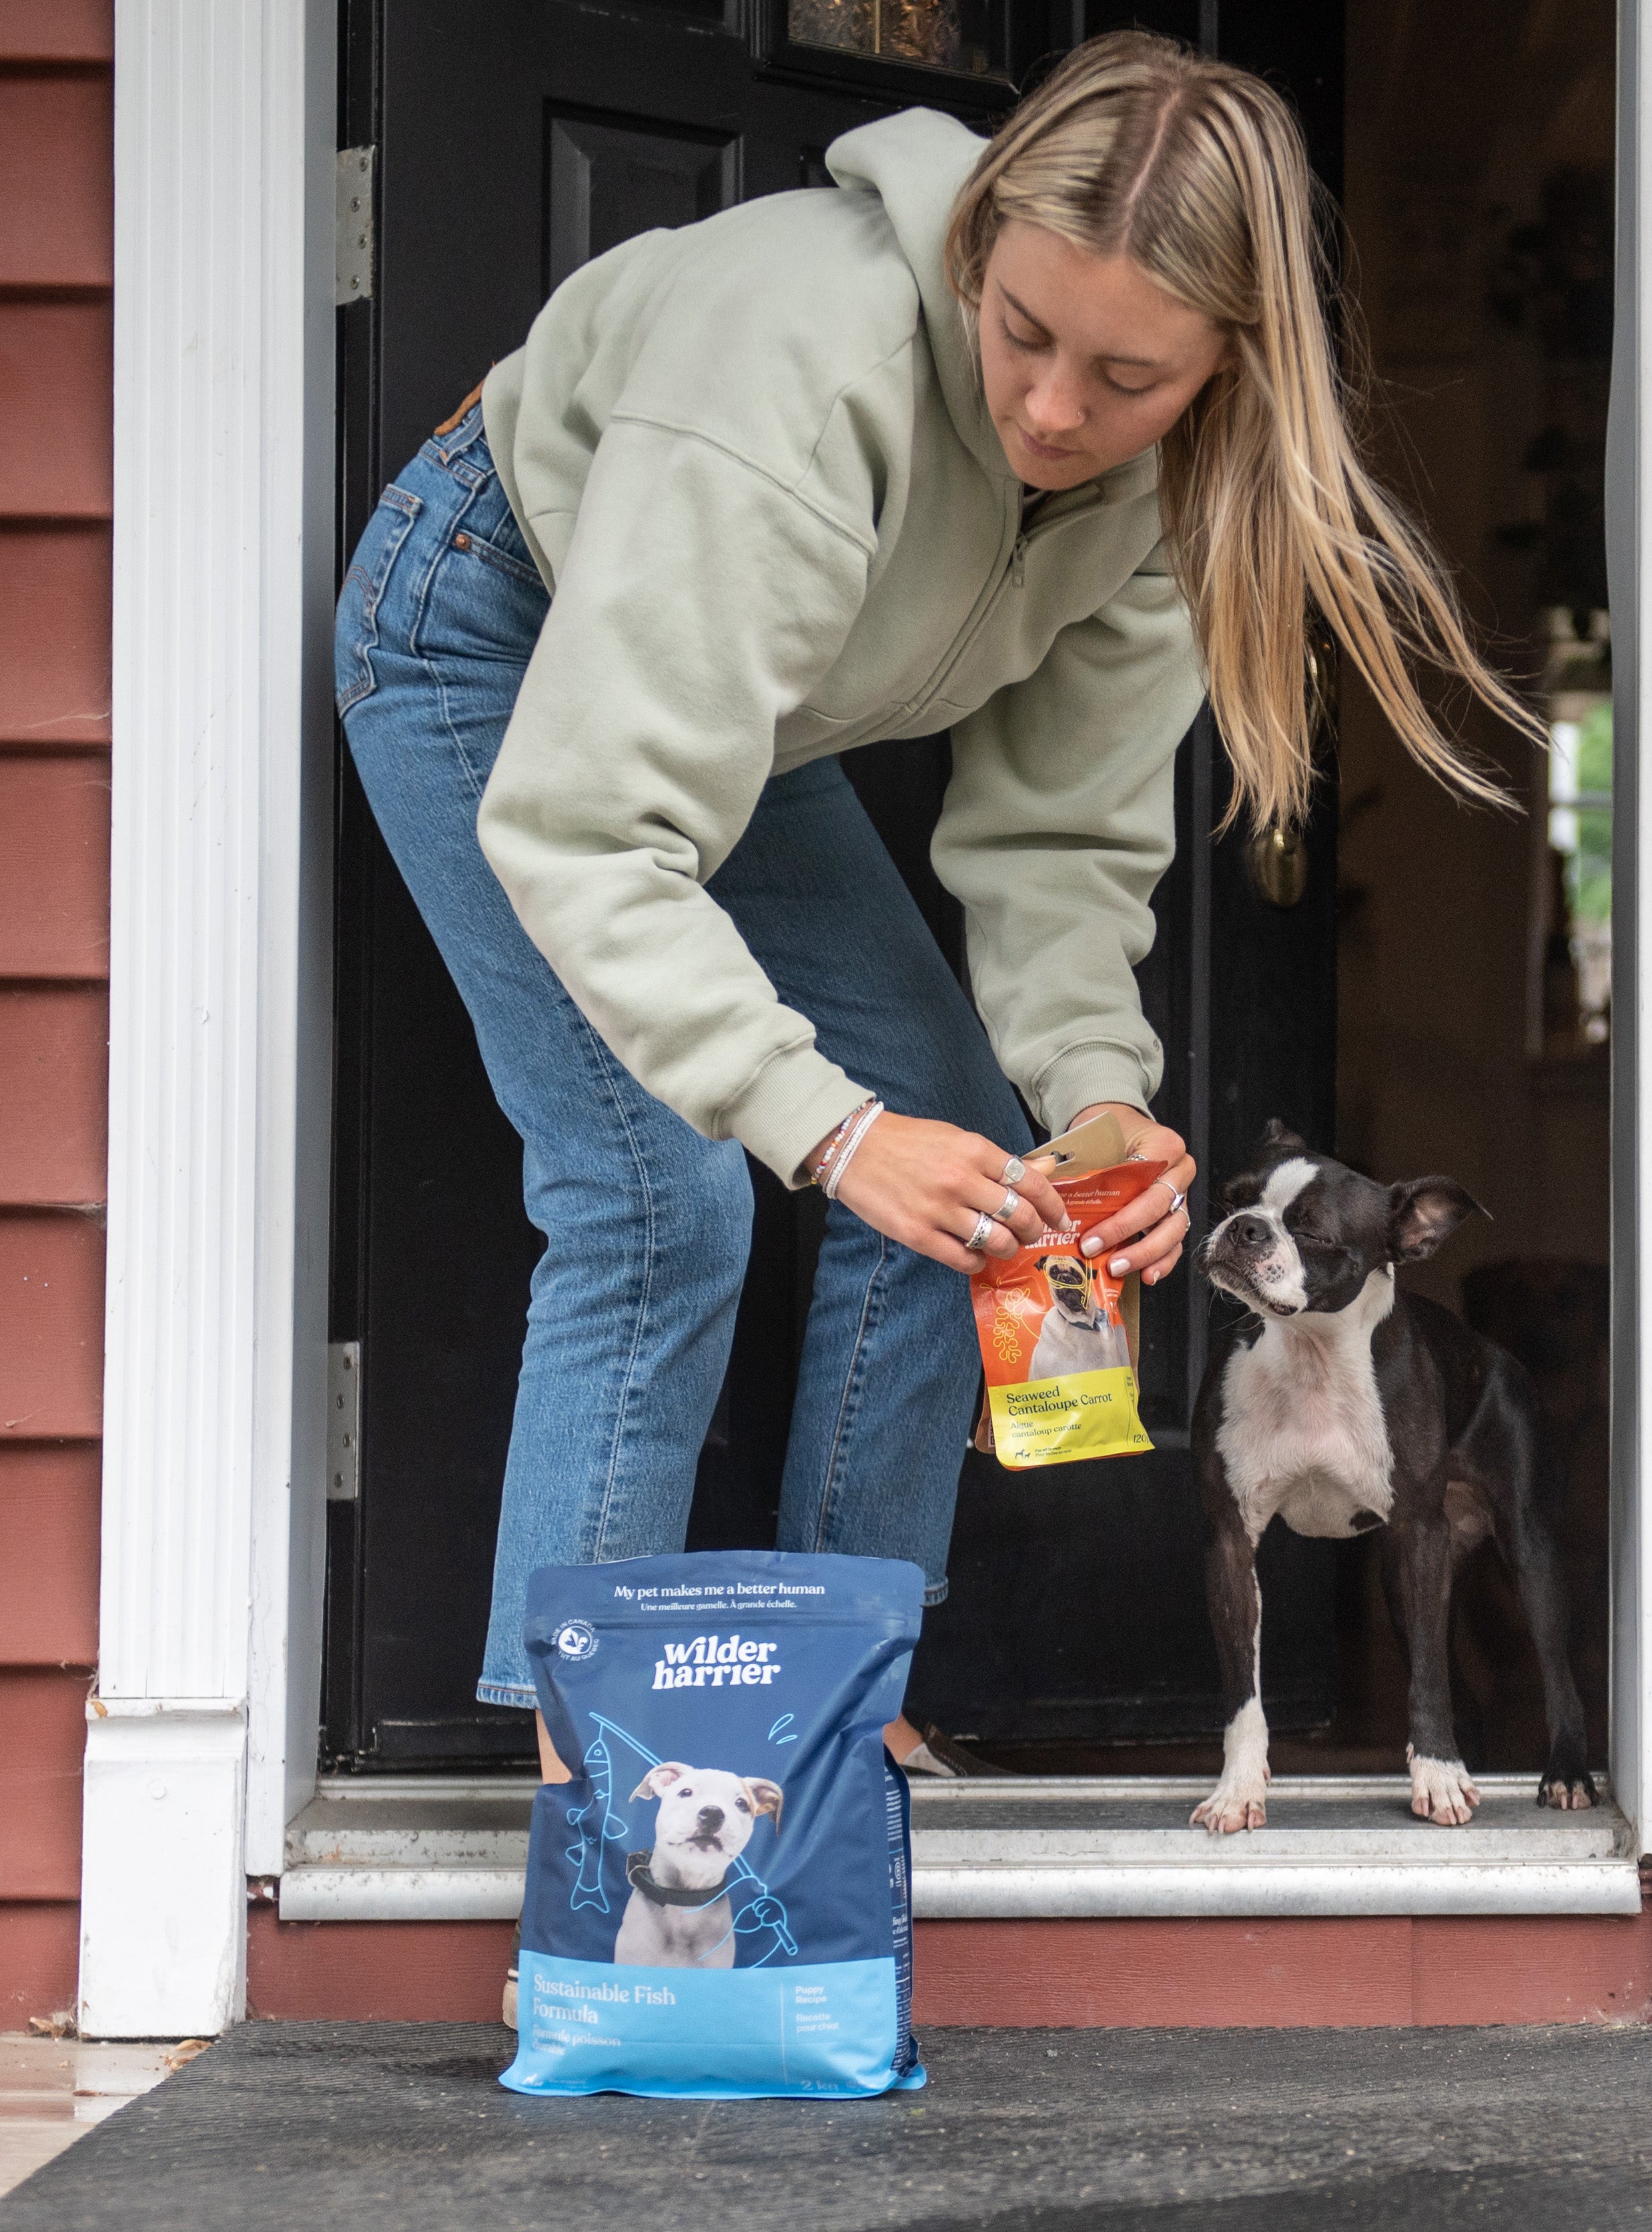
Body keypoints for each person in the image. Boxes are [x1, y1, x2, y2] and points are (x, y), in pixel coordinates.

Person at [332, 30, 1531, 1782]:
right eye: (1020, 335)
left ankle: (831, 1688)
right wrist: (822, 1132)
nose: (1051, 411)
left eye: (1124, 377)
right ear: (971, 254)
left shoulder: (1167, 492)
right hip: (498, 635)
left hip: (745, 703)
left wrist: (1096, 1095)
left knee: (968, 1152)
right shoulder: (792, 370)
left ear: (1224, 373)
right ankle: (586, 1781)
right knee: (658, 1199)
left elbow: (1056, 845)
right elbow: (596, 823)